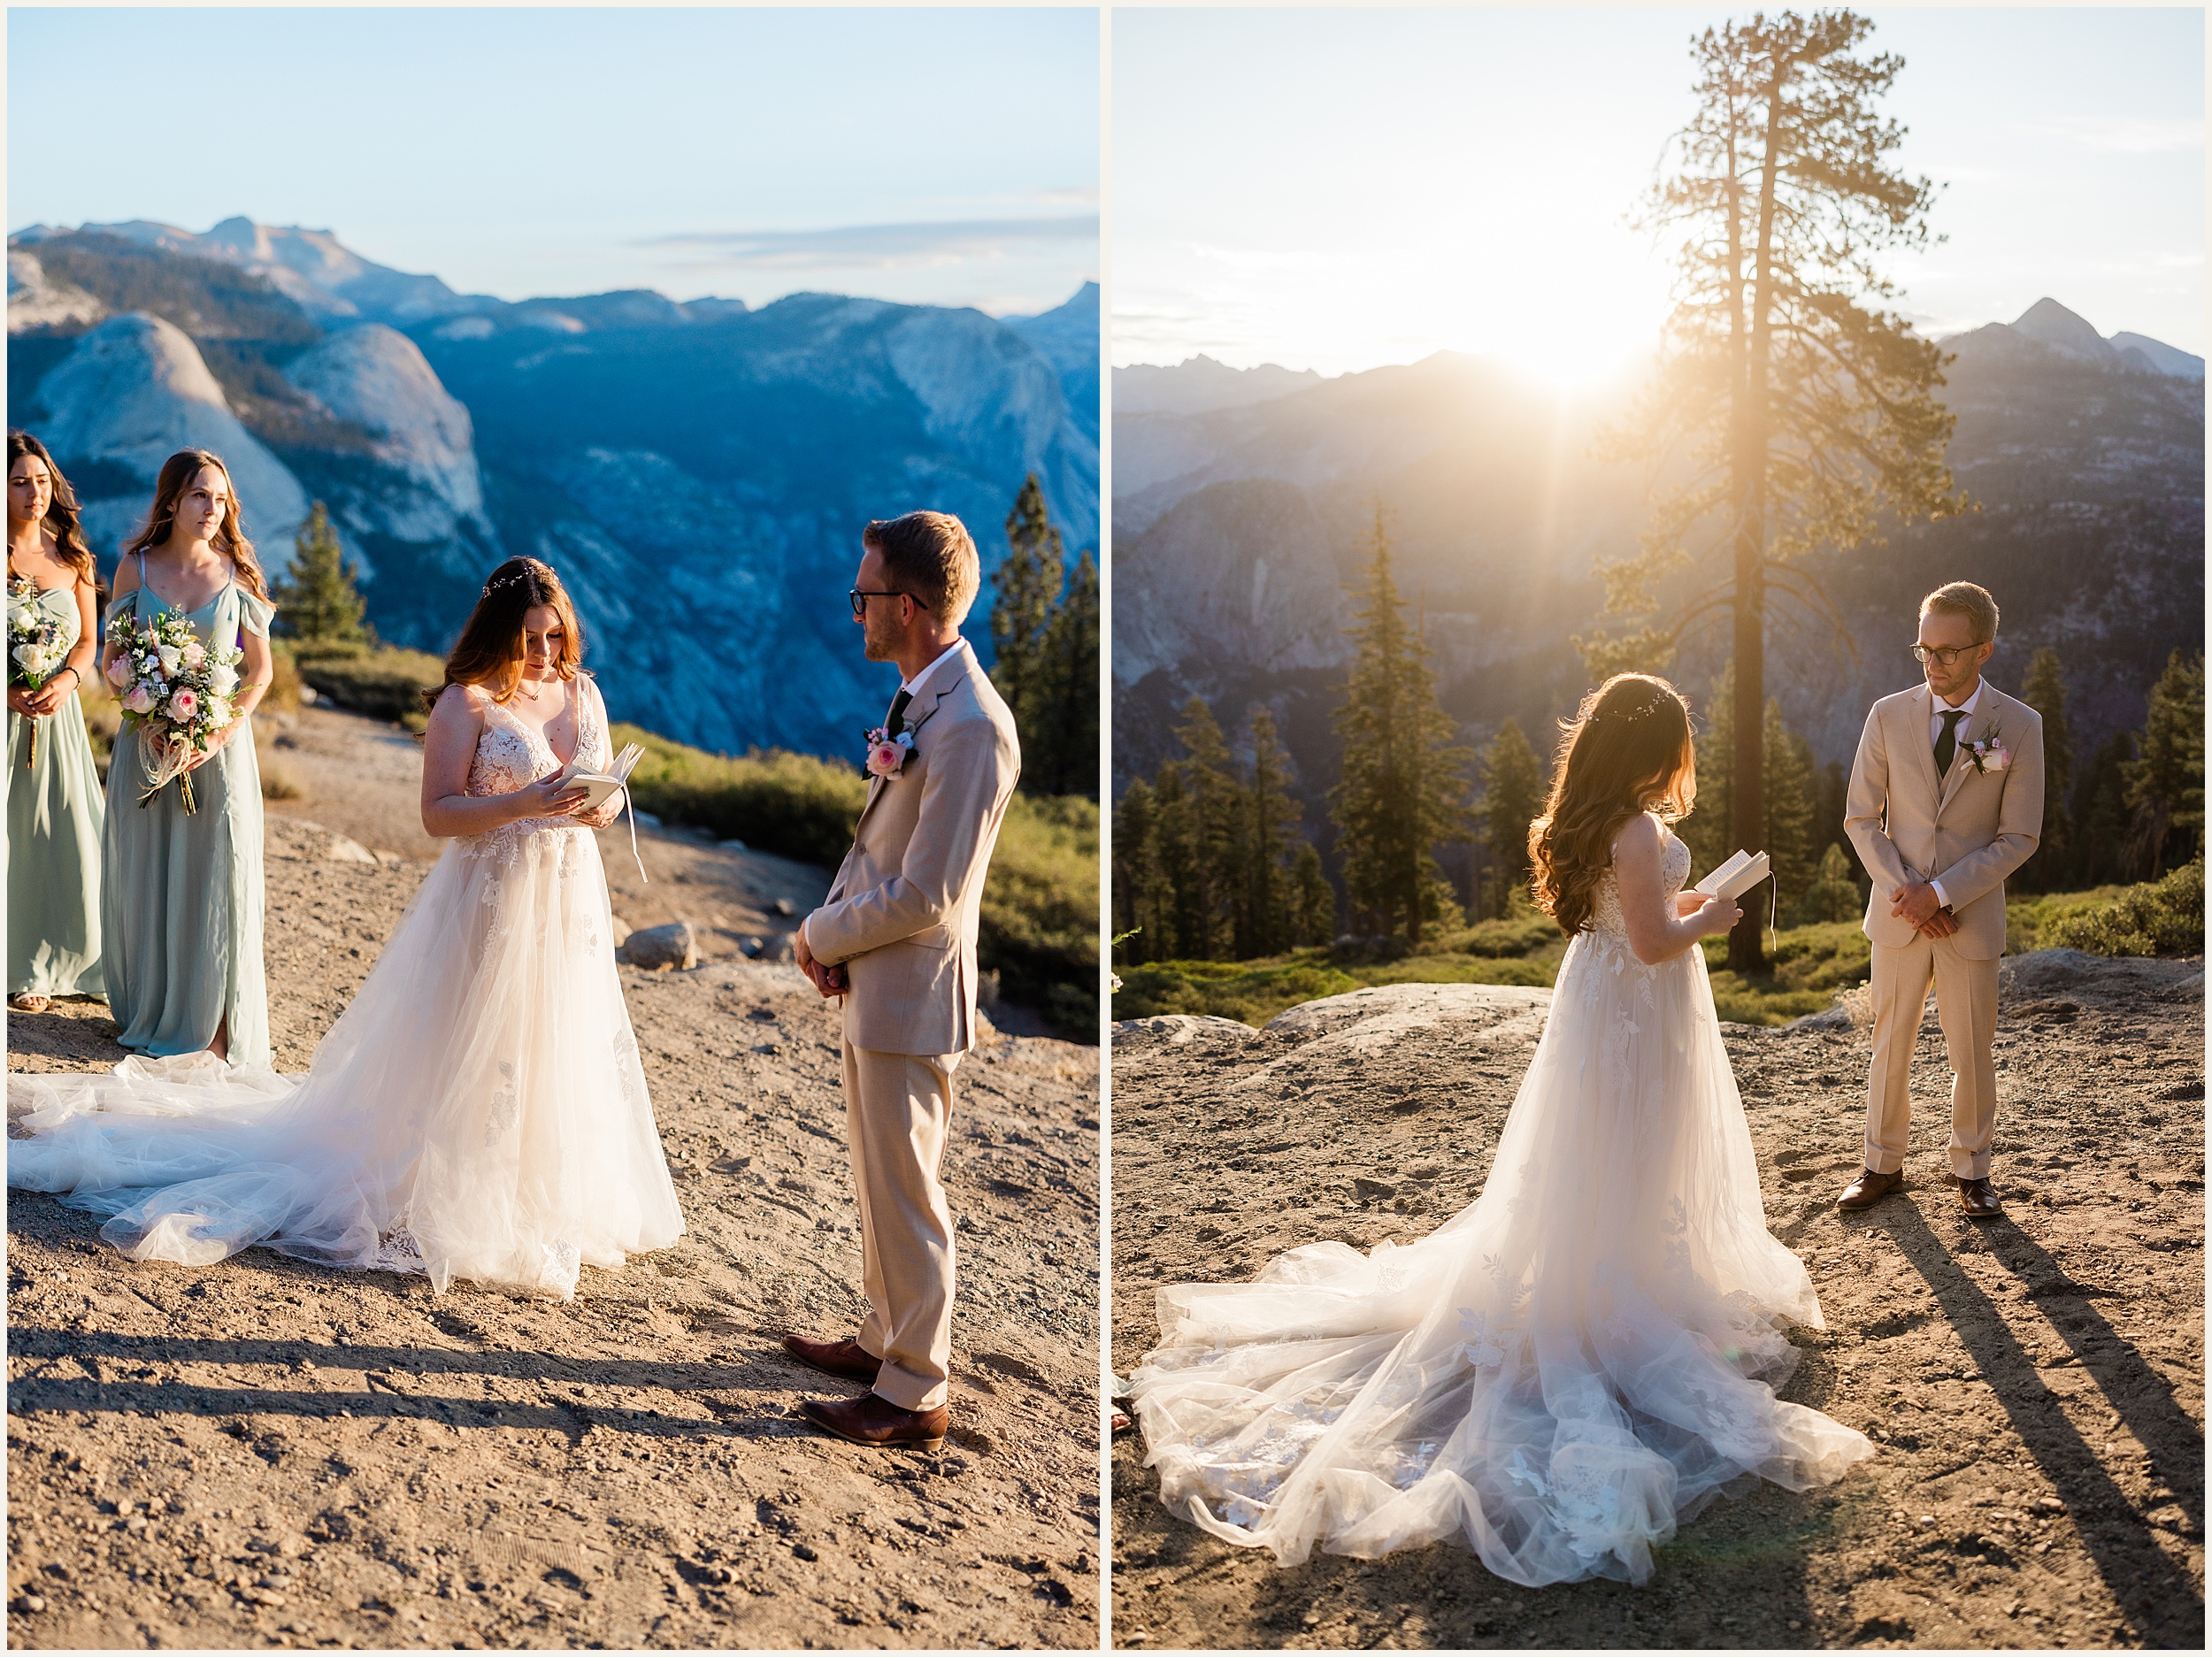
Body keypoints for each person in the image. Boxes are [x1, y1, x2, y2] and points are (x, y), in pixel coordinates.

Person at [1125, 673, 1873, 1584]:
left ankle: (1610, 1268)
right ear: (1650, 749)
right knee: (1635, 1150)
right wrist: (1712, 914)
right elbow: (1649, 940)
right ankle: (1619, 1290)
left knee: (1603, 1156)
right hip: (1638, 1007)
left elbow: (1623, 923)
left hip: (1605, 1005)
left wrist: (1681, 911)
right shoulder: (1635, 829)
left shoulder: (1599, 821)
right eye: (1677, 744)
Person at [8, 556, 683, 1300]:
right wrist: (525, 804)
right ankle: (450, 1184)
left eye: (555, 637)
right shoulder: (467, 702)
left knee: (557, 1038)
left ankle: (544, 1191)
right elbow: (438, 814)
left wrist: (598, 807)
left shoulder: (583, 693)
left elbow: (607, 799)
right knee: (472, 1043)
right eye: (531, 638)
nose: (546, 654)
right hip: (490, 899)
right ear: (499, 632)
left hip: (568, 900)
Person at [782, 510, 1021, 1451]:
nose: (855, 613)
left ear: (909, 606)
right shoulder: (925, 697)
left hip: (915, 992)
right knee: (880, 1177)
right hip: (880, 983)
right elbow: (882, 847)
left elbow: (929, 892)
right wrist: (840, 943)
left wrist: (820, 930)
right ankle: (884, 1337)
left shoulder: (968, 726)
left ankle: (917, 1389)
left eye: (865, 596)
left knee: (910, 1189)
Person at [1837, 581, 2044, 1219]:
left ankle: (1973, 1170)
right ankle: (1881, 1163)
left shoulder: (2018, 725)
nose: (1932, 663)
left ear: (1984, 649)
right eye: (1923, 648)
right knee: (1889, 1040)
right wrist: (1912, 894)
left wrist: (1945, 892)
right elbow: (1860, 819)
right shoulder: (1887, 714)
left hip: (1970, 914)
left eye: (1948, 651)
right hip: (1900, 912)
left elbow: (2020, 835)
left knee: (1970, 1048)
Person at [97, 449, 276, 1065]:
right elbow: (112, 665)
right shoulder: (134, 569)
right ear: (171, 501)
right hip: (145, 751)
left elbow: (260, 672)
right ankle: (153, 1006)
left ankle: (212, 1025)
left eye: (220, 499)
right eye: (200, 495)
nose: (211, 509)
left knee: (214, 881)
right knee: (145, 874)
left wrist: (218, 730)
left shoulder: (240, 576)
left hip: (219, 756)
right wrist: (148, 715)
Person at [5, 431, 104, 1009]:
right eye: (20, 482)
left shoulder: (74, 559)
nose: (34, 493)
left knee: (56, 838)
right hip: (5, 716)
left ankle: (46, 962)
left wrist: (66, 680)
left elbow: (89, 640)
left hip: (58, 722)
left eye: (41, 481)